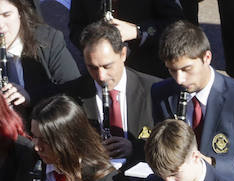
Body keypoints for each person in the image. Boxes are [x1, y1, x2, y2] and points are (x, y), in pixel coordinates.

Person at [151, 21, 234, 181]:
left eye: (186, 69)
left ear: (207, 57)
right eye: (172, 70)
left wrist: (211, 164)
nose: (179, 79)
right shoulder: (161, 93)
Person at [75, 22, 161, 167]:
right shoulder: (72, 94)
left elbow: (170, 145)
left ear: (123, 54)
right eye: (92, 67)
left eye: (107, 66)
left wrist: (136, 148)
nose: (101, 76)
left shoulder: (155, 90)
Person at [0, 0, 81, 114]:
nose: (1, 25)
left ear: (20, 12)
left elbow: (71, 89)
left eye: (6, 15)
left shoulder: (48, 40)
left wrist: (30, 96)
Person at [68, 0, 182, 79]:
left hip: (147, 72)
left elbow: (176, 24)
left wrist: (139, 31)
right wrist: (95, 42)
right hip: (100, 74)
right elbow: (76, 27)